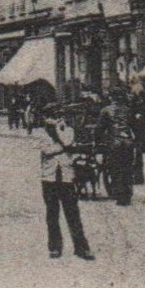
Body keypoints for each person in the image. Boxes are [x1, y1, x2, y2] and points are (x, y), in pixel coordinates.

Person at [34, 103, 92, 260]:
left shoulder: (68, 130)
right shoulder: (40, 133)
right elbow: (47, 150)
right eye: (53, 116)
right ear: (46, 118)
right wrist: (64, 146)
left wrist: (59, 133)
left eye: (59, 115)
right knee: (52, 214)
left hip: (66, 176)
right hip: (49, 177)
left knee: (73, 213)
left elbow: (66, 142)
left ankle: (81, 247)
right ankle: (54, 247)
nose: (57, 118)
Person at [96, 87, 137, 207]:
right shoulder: (128, 110)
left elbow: (99, 129)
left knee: (115, 168)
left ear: (111, 97)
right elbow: (135, 127)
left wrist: (98, 143)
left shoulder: (106, 110)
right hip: (128, 143)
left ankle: (119, 195)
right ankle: (127, 193)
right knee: (127, 168)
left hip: (114, 144)